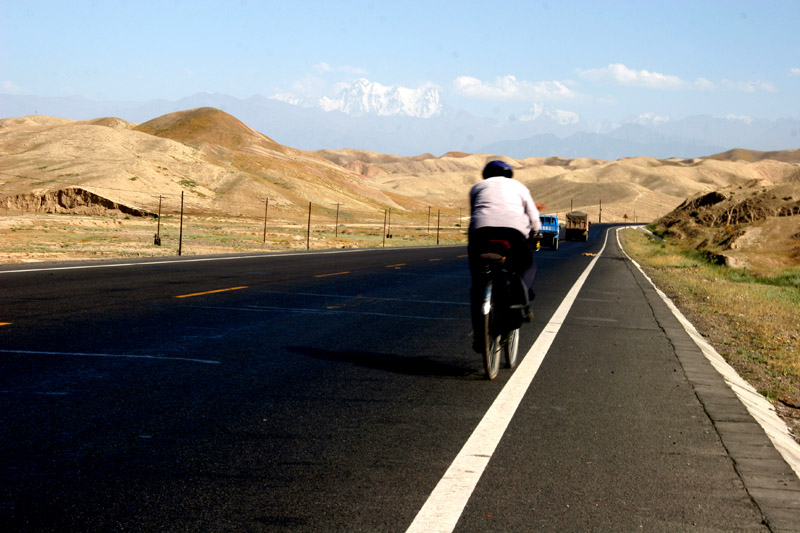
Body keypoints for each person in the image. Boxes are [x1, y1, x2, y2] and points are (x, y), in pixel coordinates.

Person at [468, 160, 541, 351]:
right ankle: (523, 299)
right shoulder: (519, 187)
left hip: (480, 235)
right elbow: (534, 217)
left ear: (486, 174)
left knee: (477, 283)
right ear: (509, 174)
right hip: (513, 234)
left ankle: (479, 337)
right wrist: (535, 232)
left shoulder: (477, 188)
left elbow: (475, 214)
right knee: (527, 265)